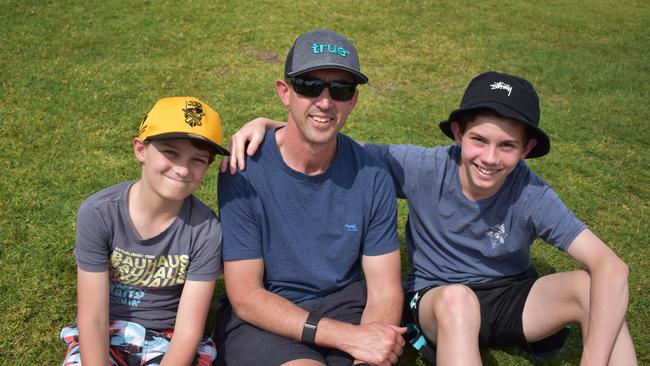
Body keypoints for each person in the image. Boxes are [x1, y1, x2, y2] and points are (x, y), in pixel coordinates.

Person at [221, 71, 638, 365]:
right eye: (478, 140)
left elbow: (611, 266)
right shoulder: (420, 167)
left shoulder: (531, 192)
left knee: (594, 288)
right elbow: (337, 144)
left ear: (527, 148)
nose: (489, 158)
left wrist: (592, 358)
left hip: (511, 296)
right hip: (441, 299)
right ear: (458, 133)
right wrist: (273, 123)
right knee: (459, 301)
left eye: (507, 146)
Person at [215, 29, 406, 366]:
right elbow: (246, 296)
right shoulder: (243, 170)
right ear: (284, 92)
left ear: (354, 101)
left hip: (346, 307)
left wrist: (373, 347)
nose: (325, 101)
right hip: (267, 317)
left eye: (341, 90)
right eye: (309, 86)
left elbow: (384, 290)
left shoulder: (373, 176)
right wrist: (348, 337)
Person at [60, 96, 230, 366]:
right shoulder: (99, 213)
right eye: (171, 153)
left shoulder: (206, 230)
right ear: (140, 149)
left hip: (170, 338)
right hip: (105, 329)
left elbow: (188, 331)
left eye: (198, 160)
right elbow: (92, 318)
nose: (183, 169)